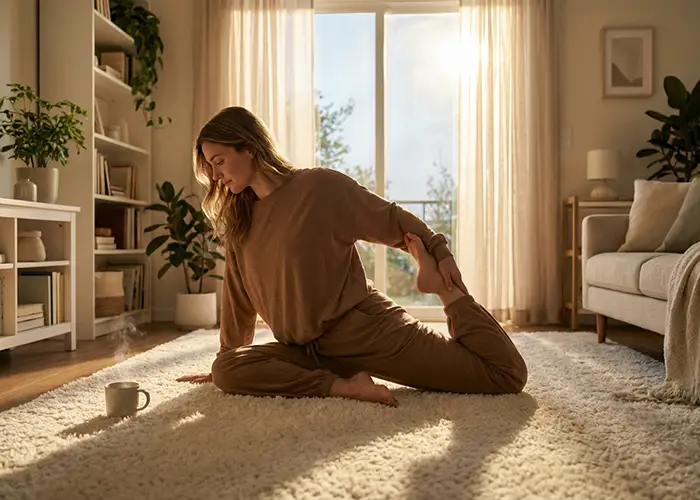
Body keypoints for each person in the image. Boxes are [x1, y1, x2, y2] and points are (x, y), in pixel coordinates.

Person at [177, 106, 528, 406]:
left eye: (219, 162)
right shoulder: (241, 223)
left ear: (249, 148)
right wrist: (225, 358)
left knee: (504, 375)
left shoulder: (319, 188)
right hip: (305, 352)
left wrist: (437, 251)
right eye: (210, 168)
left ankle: (448, 294)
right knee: (227, 371)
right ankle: (343, 385)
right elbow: (238, 301)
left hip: (365, 332)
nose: (215, 176)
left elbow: (390, 219)